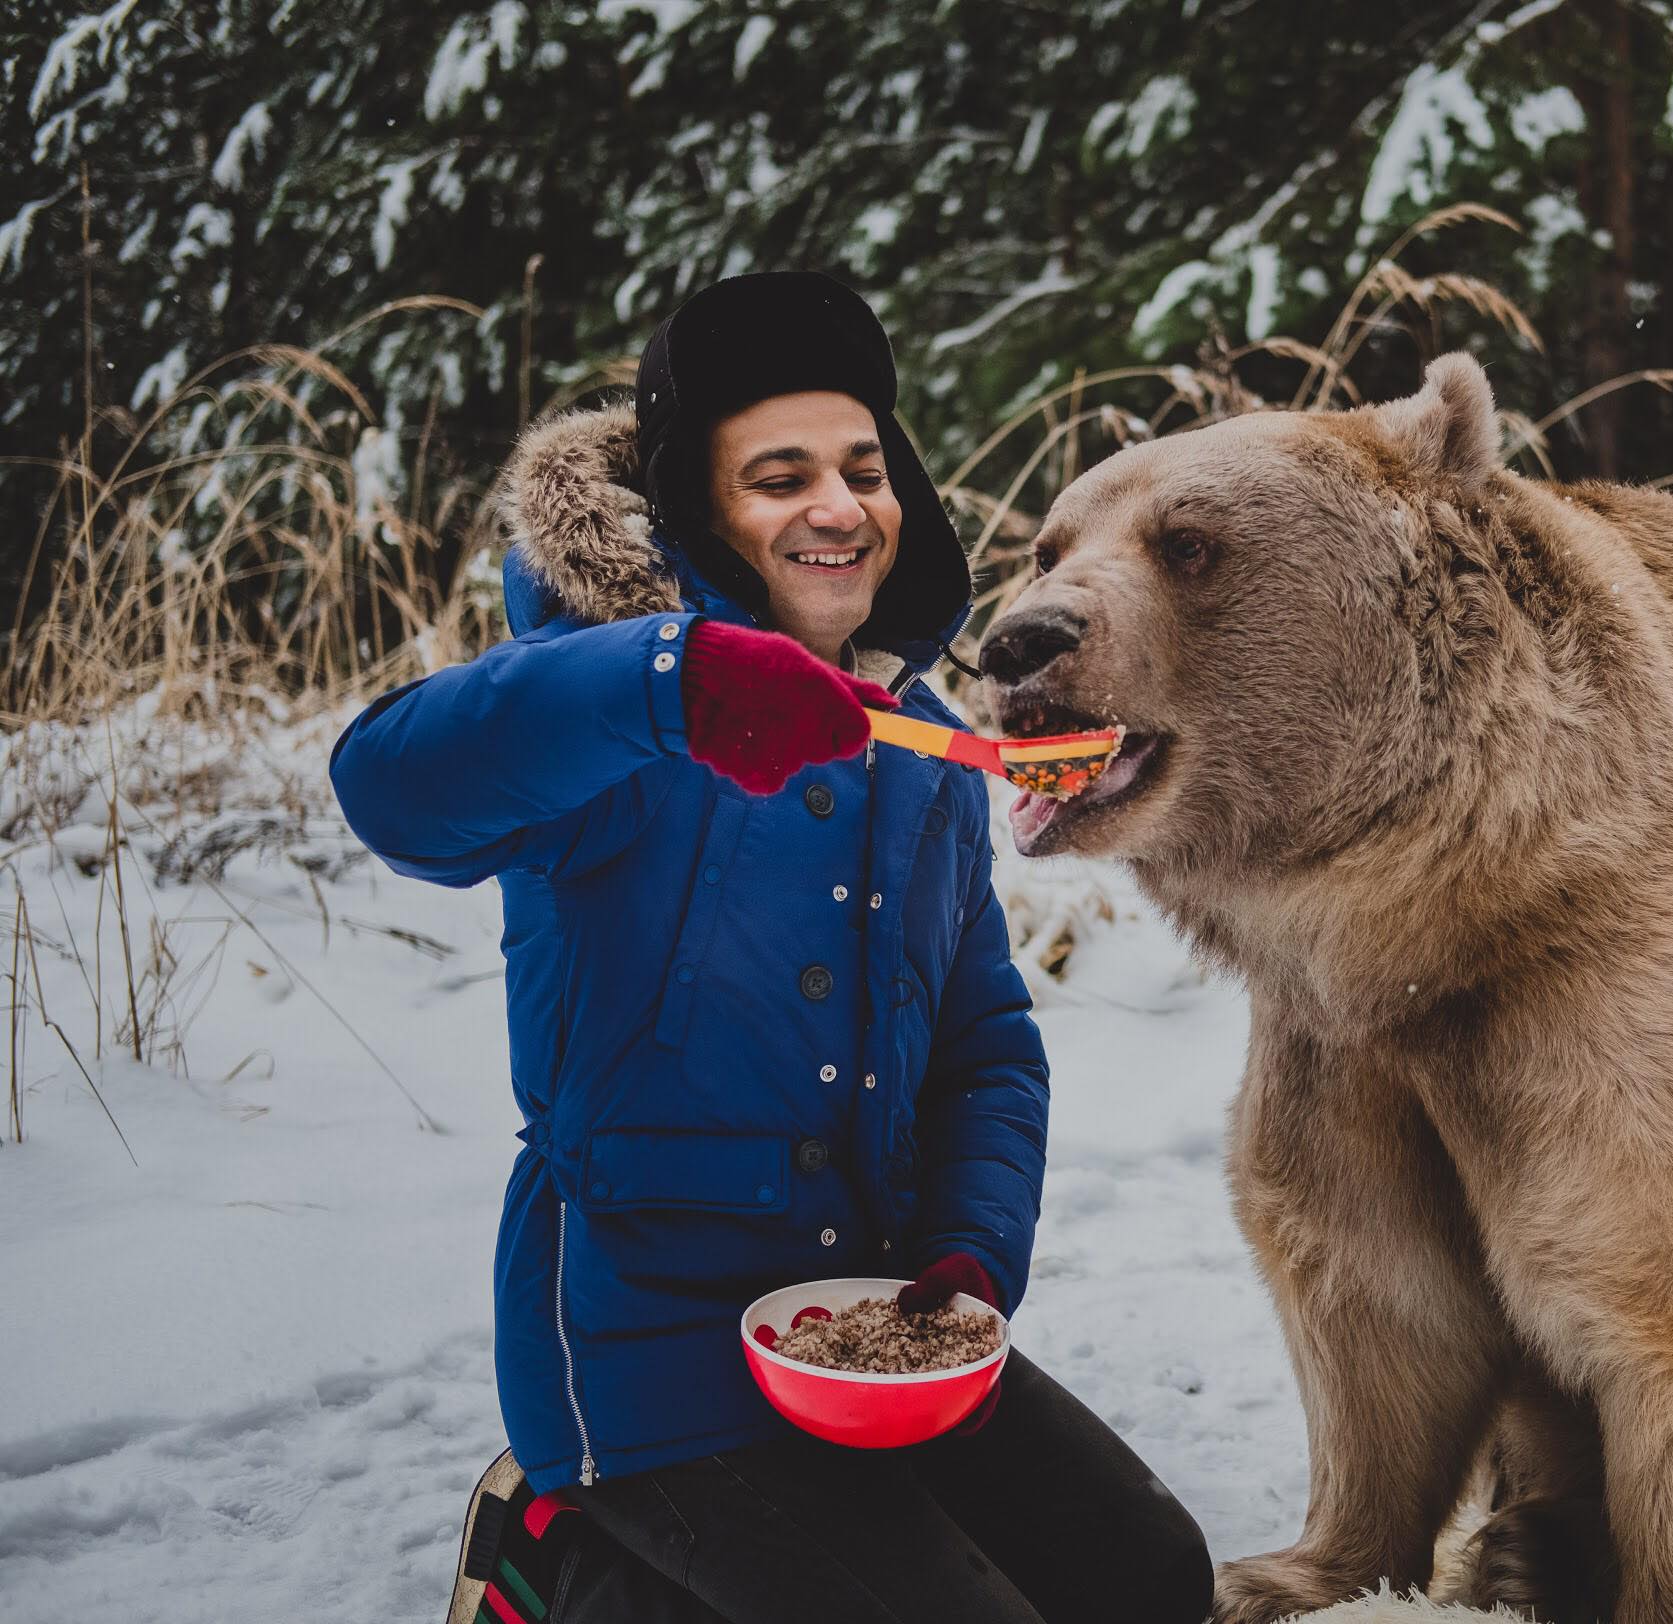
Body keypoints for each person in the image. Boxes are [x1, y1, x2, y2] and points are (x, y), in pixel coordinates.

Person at [328, 271, 1212, 1624]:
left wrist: (967, 1253)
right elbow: (391, 789)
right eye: (779, 474)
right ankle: (564, 1561)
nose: (838, 506)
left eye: (864, 466)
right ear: (704, 510)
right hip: (644, 1355)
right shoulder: (618, 700)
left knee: (1149, 1578)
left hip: (869, 1332)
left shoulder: (920, 754)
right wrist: (664, 686)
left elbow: (981, 1045)